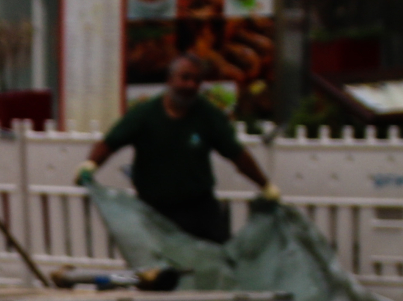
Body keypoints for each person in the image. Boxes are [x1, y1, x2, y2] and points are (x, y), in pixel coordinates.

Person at [78, 56, 280, 245]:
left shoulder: (208, 115)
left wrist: (265, 185)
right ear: (170, 79)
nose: (190, 85)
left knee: (218, 264)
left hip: (200, 210)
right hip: (155, 210)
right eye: (185, 78)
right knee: (160, 275)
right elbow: (110, 142)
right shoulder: (145, 114)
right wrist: (90, 165)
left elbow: (236, 154)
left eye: (197, 80)